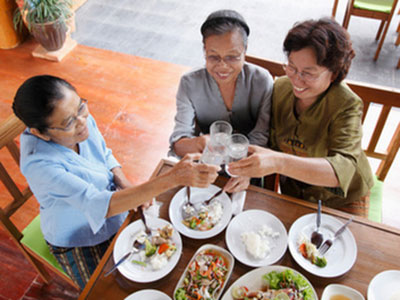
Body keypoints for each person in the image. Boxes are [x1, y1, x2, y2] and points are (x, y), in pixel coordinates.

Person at [12, 75, 220, 289]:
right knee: (107, 289)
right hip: (77, 236)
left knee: (166, 265)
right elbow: (99, 204)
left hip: (113, 206)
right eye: (69, 122)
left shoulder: (78, 119)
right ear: (40, 133)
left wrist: (126, 184)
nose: (82, 122)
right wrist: (173, 178)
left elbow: (104, 154)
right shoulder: (39, 165)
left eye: (81, 107)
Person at [228, 18, 374, 217]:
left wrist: (280, 163)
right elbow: (269, 147)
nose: (296, 79)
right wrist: (252, 177)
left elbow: (344, 168)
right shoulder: (280, 88)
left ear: (334, 73)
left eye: (308, 73)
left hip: (341, 198)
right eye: (291, 67)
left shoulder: (346, 103)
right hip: (296, 192)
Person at [169, 9, 273, 193]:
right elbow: (178, 143)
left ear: (245, 51)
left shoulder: (262, 81)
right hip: (205, 170)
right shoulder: (189, 83)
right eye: (213, 57)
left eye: (232, 57)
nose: (222, 66)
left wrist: (246, 171)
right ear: (204, 52)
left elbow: (261, 138)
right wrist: (200, 142)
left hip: (248, 171)